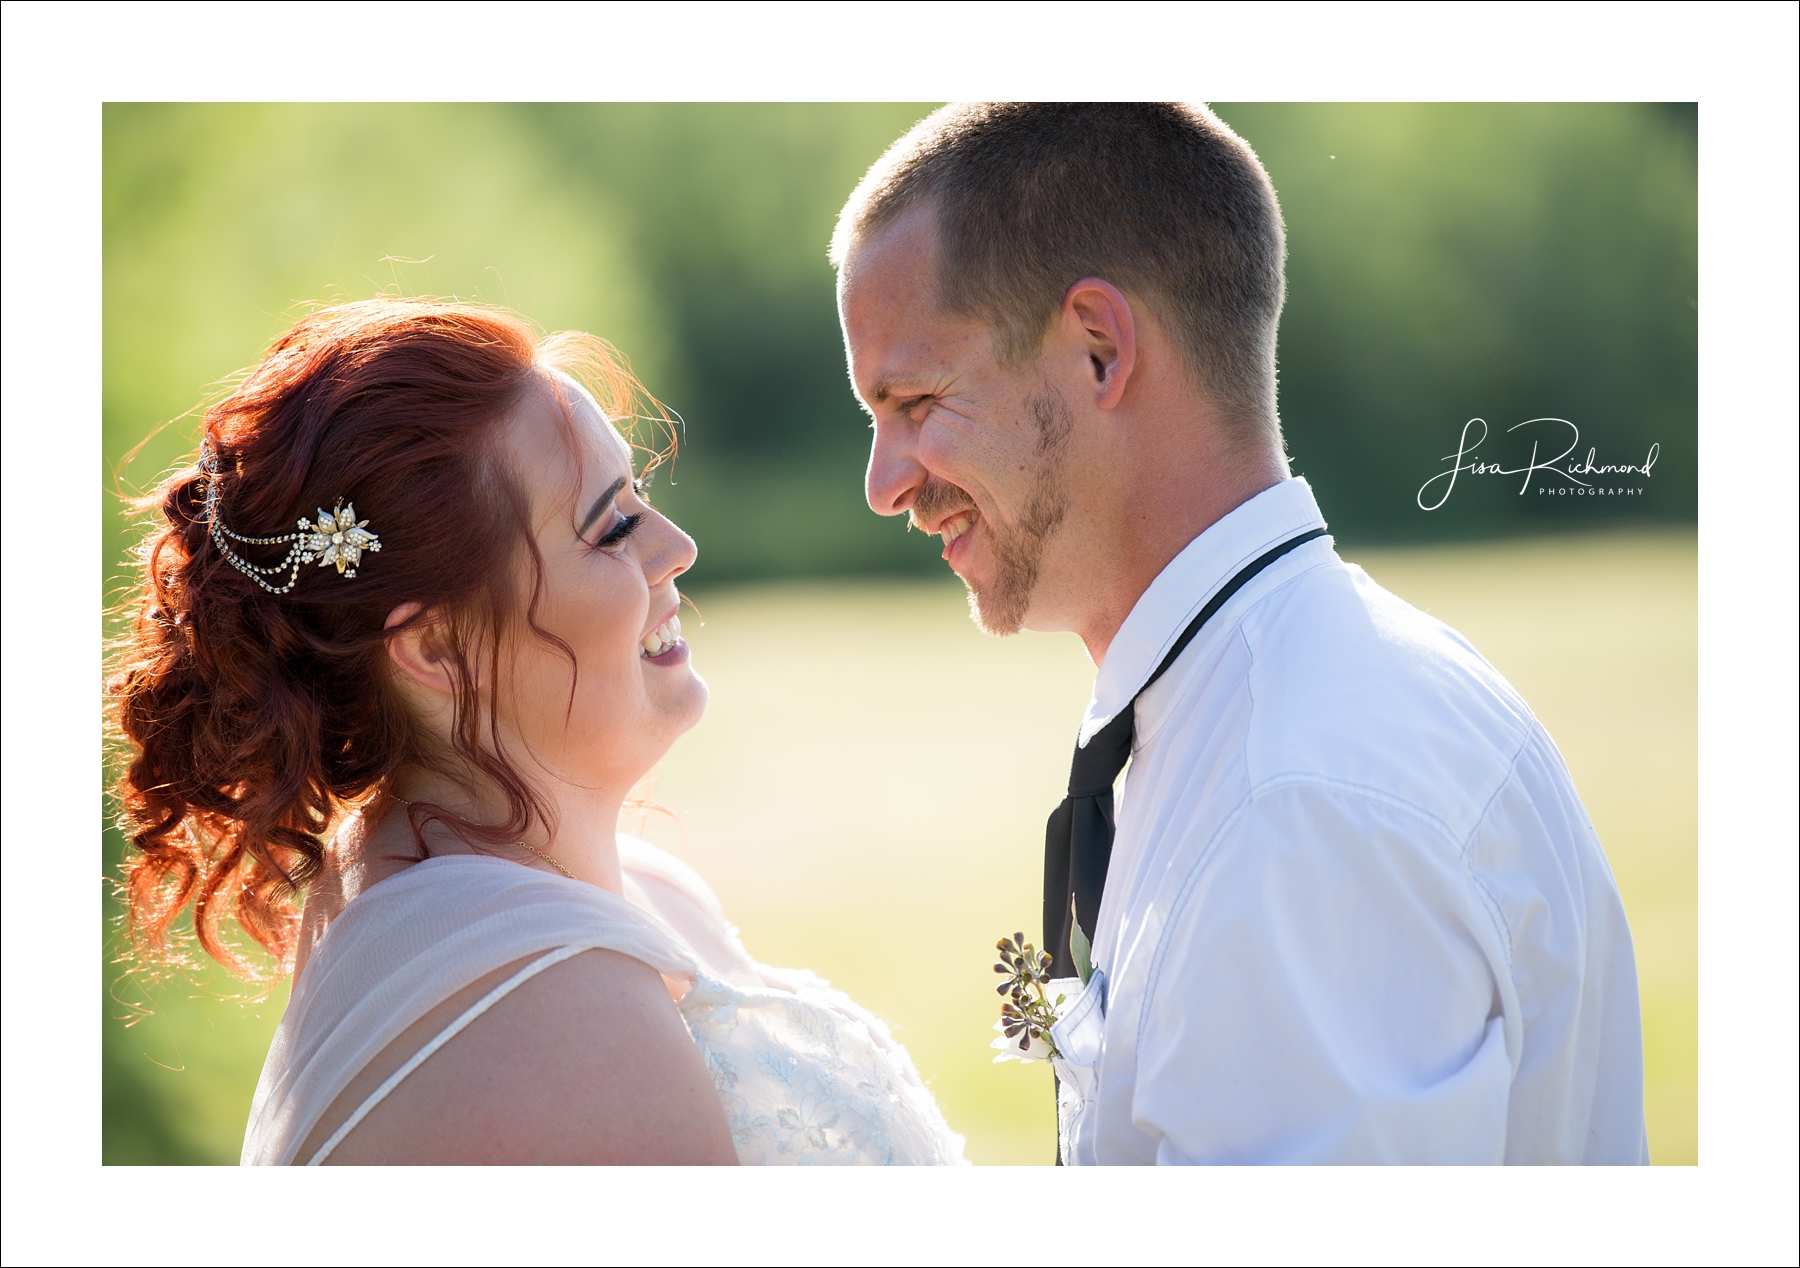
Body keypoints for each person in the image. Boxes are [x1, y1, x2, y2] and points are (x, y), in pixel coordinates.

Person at [832, 102, 1647, 1164]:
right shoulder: (1283, 705)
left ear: (1096, 348)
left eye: (918, 398)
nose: (884, 483)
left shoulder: (1297, 803)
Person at [109, 298, 964, 1166]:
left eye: (643, 500)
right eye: (613, 527)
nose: (677, 547)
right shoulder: (545, 1007)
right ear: (437, 648)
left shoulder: (594, 895)